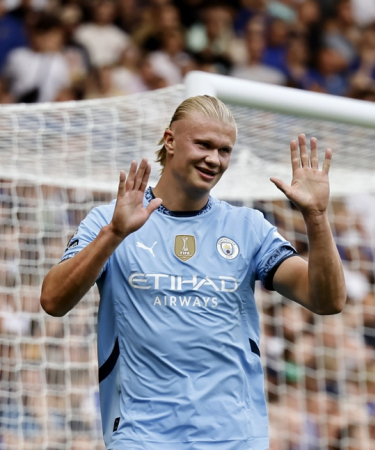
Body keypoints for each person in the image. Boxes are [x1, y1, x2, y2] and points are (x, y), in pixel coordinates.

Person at [40, 95, 346, 450]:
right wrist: (114, 234)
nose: (214, 159)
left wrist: (317, 218)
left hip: (234, 436)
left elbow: (327, 300)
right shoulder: (110, 220)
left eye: (224, 150)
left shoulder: (248, 227)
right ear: (170, 140)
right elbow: (52, 300)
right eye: (204, 145)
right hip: (141, 436)